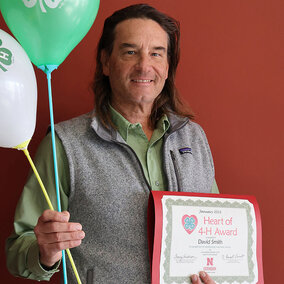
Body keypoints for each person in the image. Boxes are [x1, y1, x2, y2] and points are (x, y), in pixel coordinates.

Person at [6, 4, 218, 284]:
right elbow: (18, 250)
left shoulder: (195, 138)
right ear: (106, 62)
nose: (144, 65)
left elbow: (215, 230)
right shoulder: (64, 145)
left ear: (167, 67)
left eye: (156, 53)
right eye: (130, 52)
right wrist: (45, 252)